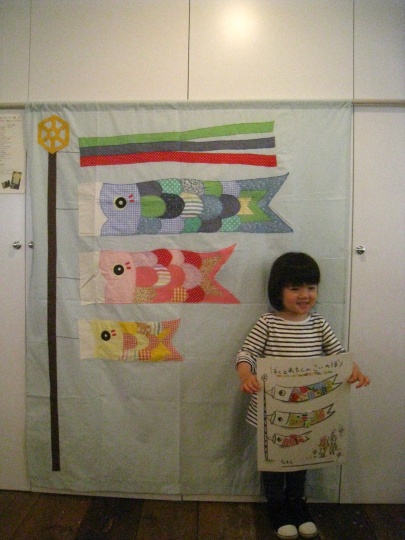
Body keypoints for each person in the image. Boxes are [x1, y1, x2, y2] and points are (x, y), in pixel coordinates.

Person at [236, 252, 370, 540]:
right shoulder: (268, 323)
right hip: (271, 410)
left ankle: (298, 505)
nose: (305, 295)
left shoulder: (318, 324)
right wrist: (246, 375)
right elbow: (246, 353)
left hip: (307, 410)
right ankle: (277, 508)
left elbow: (338, 355)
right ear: (278, 291)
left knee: (301, 460)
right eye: (295, 288)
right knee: (273, 464)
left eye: (311, 287)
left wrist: (354, 370)